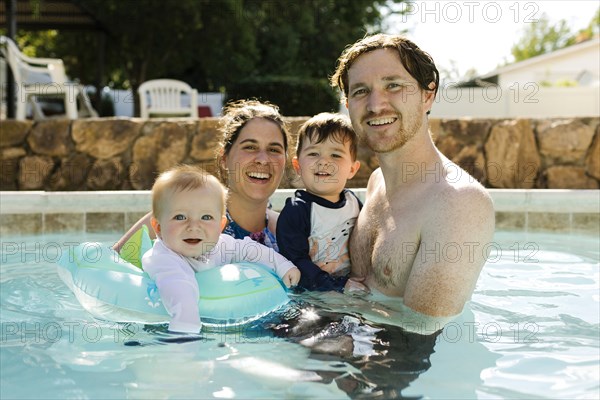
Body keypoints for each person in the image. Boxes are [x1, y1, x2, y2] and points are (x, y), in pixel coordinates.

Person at [330, 33, 495, 318]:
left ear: (427, 95)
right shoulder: (376, 183)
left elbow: (421, 335)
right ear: (348, 105)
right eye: (360, 91)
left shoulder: (459, 203)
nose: (375, 105)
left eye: (393, 85)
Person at [113, 99, 289, 253]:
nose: (263, 160)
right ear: (224, 159)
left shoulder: (290, 235)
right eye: (250, 147)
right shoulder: (178, 217)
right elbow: (110, 264)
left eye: (274, 150)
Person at [142, 164, 300, 334]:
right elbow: (179, 292)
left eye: (206, 217)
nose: (194, 226)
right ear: (158, 227)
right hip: (164, 327)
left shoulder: (220, 245)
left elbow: (250, 249)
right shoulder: (164, 259)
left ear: (221, 225)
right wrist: (185, 336)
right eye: (180, 217)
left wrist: (283, 266)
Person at [276, 113, 367, 293]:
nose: (324, 161)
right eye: (313, 153)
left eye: (335, 155)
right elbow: (294, 261)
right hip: (312, 295)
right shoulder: (297, 211)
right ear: (297, 166)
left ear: (352, 169)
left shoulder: (353, 203)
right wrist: (336, 286)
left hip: (351, 290)